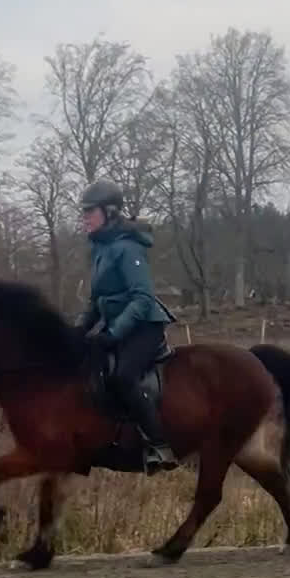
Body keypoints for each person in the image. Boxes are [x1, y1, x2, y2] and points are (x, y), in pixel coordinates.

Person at [75, 178, 178, 472]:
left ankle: (160, 446)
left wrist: (112, 334)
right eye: (83, 212)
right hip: (120, 326)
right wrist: (78, 330)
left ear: (109, 212)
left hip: (144, 327)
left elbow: (142, 299)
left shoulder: (128, 248)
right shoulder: (101, 248)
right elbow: (97, 301)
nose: (85, 218)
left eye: (90, 212)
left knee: (123, 376)